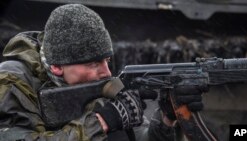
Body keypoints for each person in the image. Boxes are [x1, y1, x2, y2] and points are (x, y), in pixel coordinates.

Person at [0, 4, 204, 141]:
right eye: (93, 64)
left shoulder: (100, 84)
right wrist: (101, 122)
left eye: (106, 61)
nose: (106, 72)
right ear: (56, 66)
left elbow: (143, 136)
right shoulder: (12, 82)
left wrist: (168, 118)